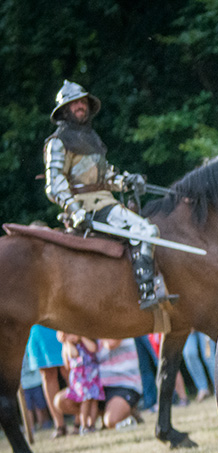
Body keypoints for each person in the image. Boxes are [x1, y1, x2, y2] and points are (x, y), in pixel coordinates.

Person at [43, 80, 174, 310]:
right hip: (89, 208)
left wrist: (127, 181)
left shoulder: (92, 139)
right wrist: (76, 212)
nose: (81, 106)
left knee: (146, 229)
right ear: (65, 110)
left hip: (105, 202)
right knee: (146, 230)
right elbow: (54, 184)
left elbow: (106, 178)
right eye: (75, 104)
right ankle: (147, 291)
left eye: (83, 101)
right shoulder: (58, 142)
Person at [54, 338, 143, 430]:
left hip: (124, 384)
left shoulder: (117, 324)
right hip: (99, 386)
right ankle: (108, 413)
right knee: (61, 401)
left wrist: (81, 335)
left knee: (111, 421)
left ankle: (126, 412)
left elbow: (111, 343)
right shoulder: (89, 335)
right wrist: (68, 340)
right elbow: (68, 365)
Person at [25, 324, 68, 438]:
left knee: (69, 368)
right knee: (47, 374)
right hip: (37, 324)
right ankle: (59, 425)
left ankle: (82, 421)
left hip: (57, 320)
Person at [59, 332, 103, 434]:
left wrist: (81, 336)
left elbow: (93, 349)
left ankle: (92, 424)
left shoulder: (86, 341)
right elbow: (72, 356)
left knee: (94, 400)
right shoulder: (69, 347)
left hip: (92, 376)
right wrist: (67, 342)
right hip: (81, 379)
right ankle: (84, 425)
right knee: (85, 400)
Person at [20, 351, 53, 431]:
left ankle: (44, 424)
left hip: (36, 382)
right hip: (25, 386)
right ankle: (30, 427)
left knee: (40, 406)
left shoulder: (29, 349)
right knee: (28, 408)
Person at [182, 331, 215, 402]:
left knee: (209, 356)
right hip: (188, 327)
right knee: (189, 354)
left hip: (205, 324)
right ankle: (202, 388)